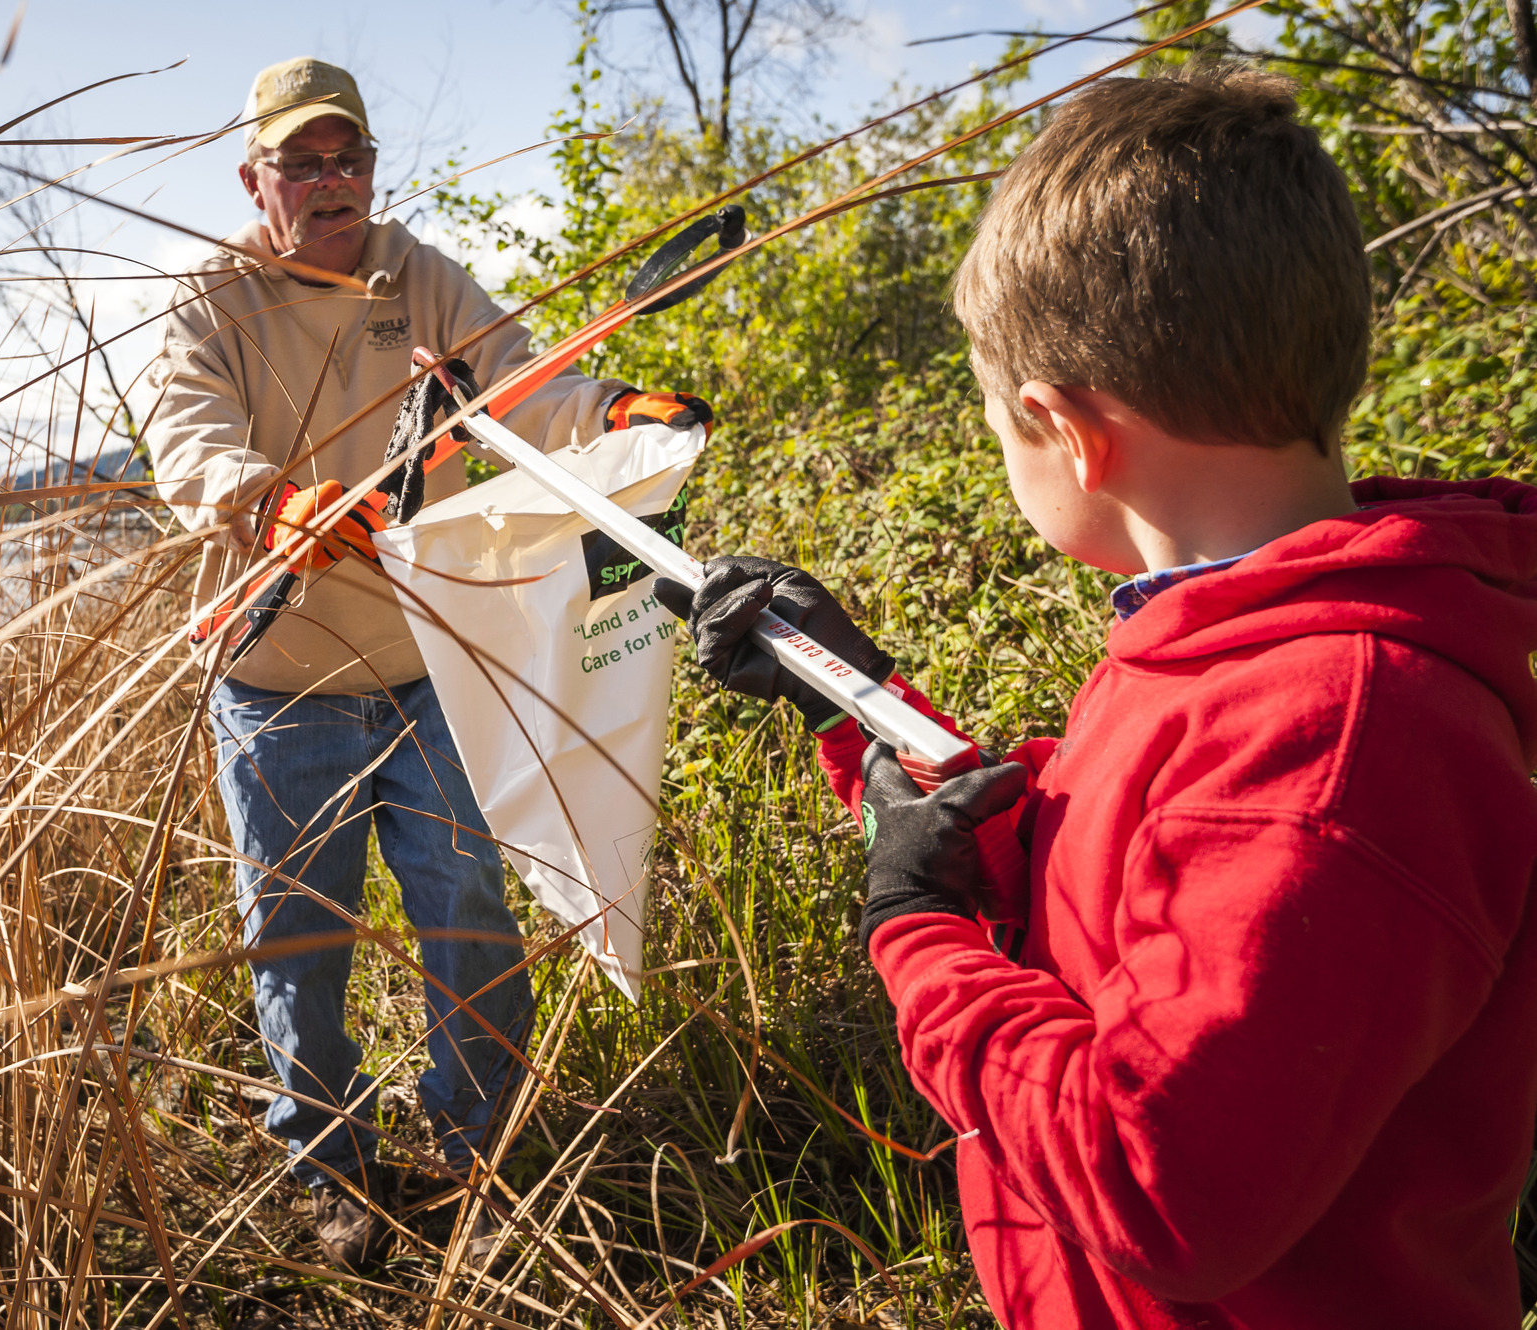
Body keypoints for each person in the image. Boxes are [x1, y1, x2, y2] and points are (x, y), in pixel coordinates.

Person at [657, 66, 1537, 1328]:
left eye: (993, 426)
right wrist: (851, 701)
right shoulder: (1231, 637)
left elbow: (1153, 1185)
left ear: (1064, 428)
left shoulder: (1336, 733)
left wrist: (915, 933)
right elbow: (1100, 887)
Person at [144, 56, 711, 1270]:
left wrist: (615, 411)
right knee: (297, 935)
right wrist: (271, 503)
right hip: (277, 682)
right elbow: (184, 435)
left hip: (424, 666)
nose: (333, 182)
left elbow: (524, 386)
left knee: (466, 908)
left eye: (348, 158)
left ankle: (474, 1152)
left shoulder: (418, 274)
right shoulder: (210, 297)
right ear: (257, 178)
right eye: (304, 163)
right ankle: (331, 1167)